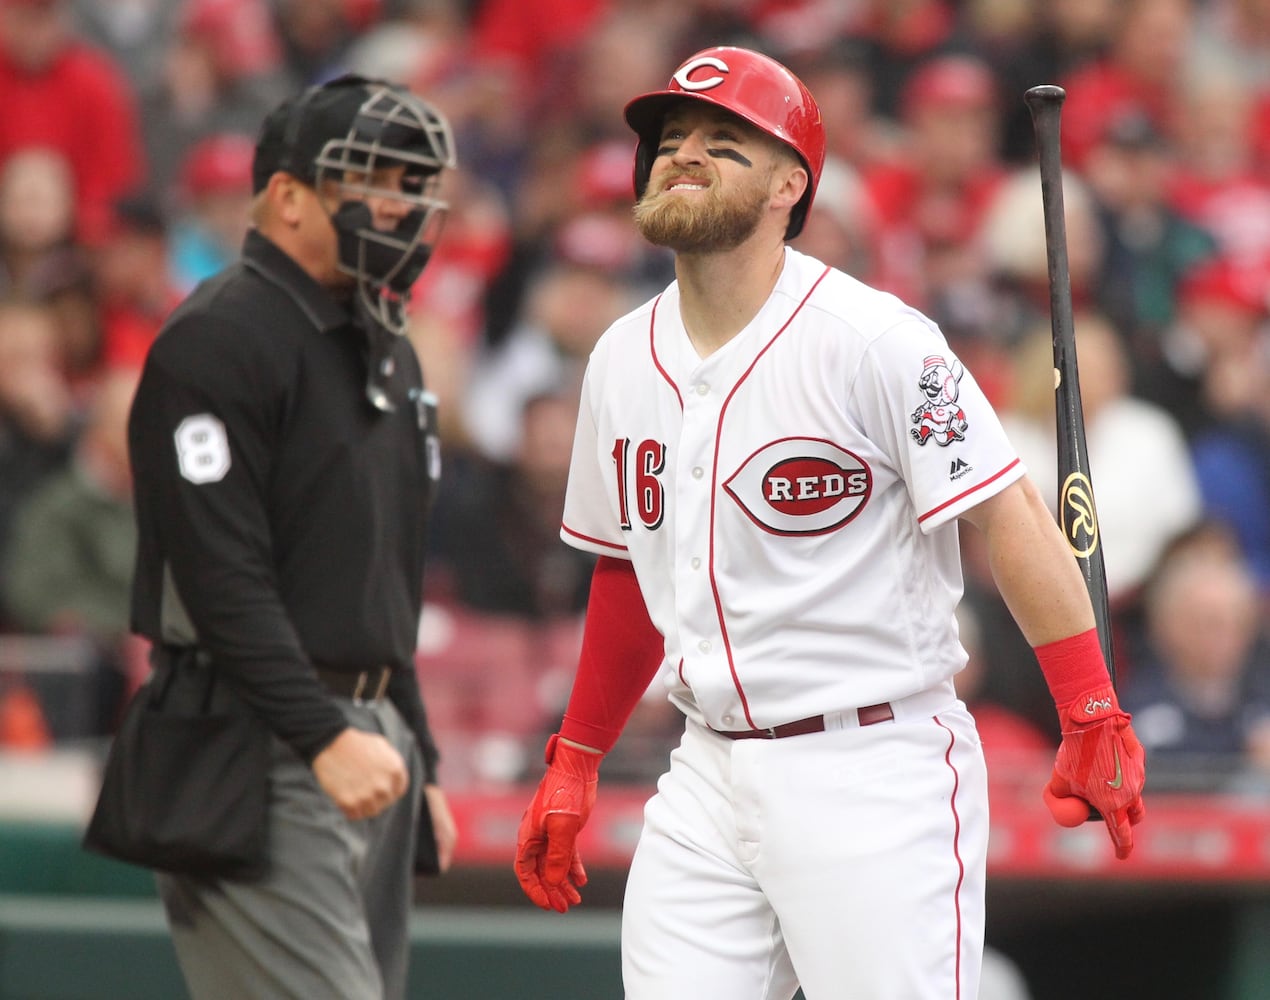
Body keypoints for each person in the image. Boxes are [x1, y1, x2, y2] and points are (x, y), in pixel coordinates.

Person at [513, 46, 1147, 1000]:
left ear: (790, 186)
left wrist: (1090, 707)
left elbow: (1007, 514)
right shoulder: (617, 359)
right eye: (670, 139)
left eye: (724, 142)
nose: (683, 154)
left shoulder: (876, 340)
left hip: (872, 762)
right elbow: (629, 575)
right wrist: (577, 756)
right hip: (705, 770)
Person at [125, 73, 458, 1000]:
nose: (402, 207)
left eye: (414, 186)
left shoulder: (385, 342)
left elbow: (381, 576)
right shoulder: (219, 338)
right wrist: (320, 734)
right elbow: (219, 573)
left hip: (365, 728)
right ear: (286, 196)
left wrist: (416, 748)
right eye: (377, 181)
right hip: (254, 732)